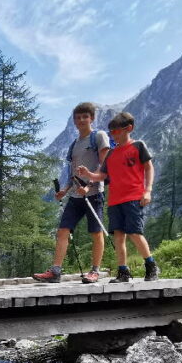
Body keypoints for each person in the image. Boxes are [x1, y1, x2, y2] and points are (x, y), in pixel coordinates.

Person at [76, 111, 159, 282]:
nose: (112, 135)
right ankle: (123, 272)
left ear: (128, 128)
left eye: (115, 131)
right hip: (115, 200)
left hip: (134, 197)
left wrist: (148, 190)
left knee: (135, 233)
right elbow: (101, 176)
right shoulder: (111, 154)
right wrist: (88, 173)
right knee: (119, 236)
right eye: (110, 132)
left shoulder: (138, 146)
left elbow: (149, 167)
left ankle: (151, 266)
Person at [33, 102, 110, 284]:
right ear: (74, 121)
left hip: (94, 194)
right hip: (75, 196)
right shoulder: (74, 145)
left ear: (92, 118)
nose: (81, 120)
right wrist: (64, 190)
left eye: (85, 116)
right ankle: (55, 271)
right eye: (78, 117)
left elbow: (105, 167)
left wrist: (90, 185)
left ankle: (95, 271)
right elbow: (72, 173)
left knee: (95, 233)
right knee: (62, 231)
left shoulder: (98, 137)